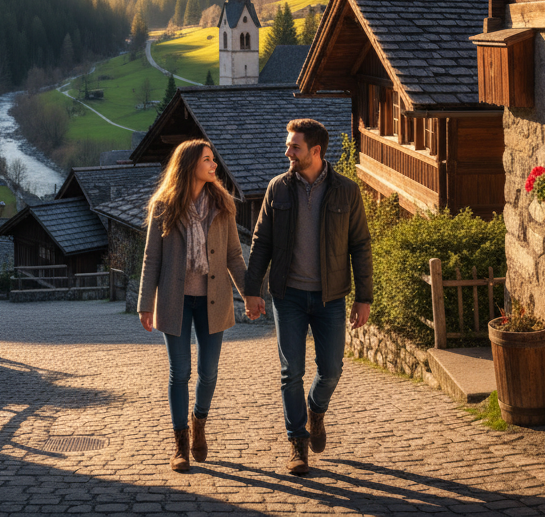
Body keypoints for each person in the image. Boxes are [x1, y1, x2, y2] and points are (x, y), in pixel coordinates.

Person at [243, 118, 372, 476]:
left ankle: (316, 410)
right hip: (289, 296)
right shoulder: (277, 189)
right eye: (289, 146)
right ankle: (297, 442)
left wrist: (364, 297)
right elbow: (261, 242)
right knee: (291, 372)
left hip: (331, 297)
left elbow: (360, 245)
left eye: (294, 147)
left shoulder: (346, 191)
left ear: (315, 151)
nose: (287, 152)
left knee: (331, 370)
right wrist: (251, 290)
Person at [138, 138, 251, 471]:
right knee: (180, 373)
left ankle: (199, 421)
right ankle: (180, 444)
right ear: (190, 165)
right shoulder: (164, 206)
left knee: (209, 372)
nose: (214, 165)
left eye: (213, 160)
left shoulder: (222, 205)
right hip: (174, 300)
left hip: (212, 300)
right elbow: (150, 259)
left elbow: (233, 255)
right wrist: (146, 303)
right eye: (207, 159)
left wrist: (249, 294)